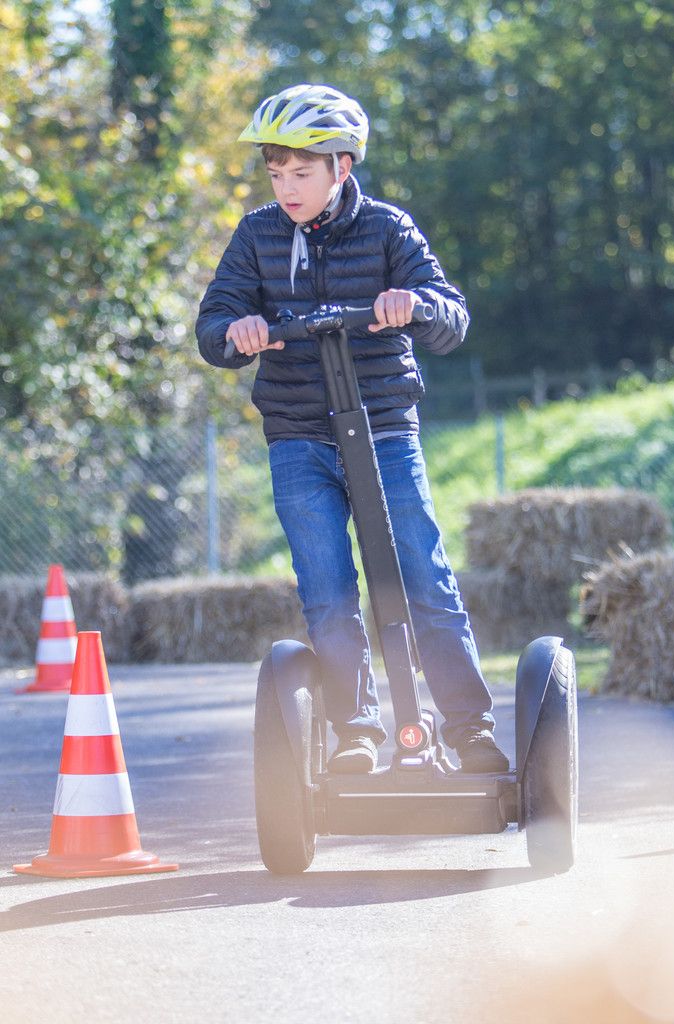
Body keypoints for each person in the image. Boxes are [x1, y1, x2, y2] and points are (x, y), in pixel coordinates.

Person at [195, 83, 509, 775]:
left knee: (422, 579)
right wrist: (236, 330)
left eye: (300, 172)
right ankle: (358, 730)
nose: (286, 187)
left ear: (342, 166)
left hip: (383, 430)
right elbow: (212, 328)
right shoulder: (257, 235)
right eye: (276, 173)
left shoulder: (388, 229)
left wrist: (414, 303)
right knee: (327, 591)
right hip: (297, 434)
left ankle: (467, 729)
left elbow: (450, 317)